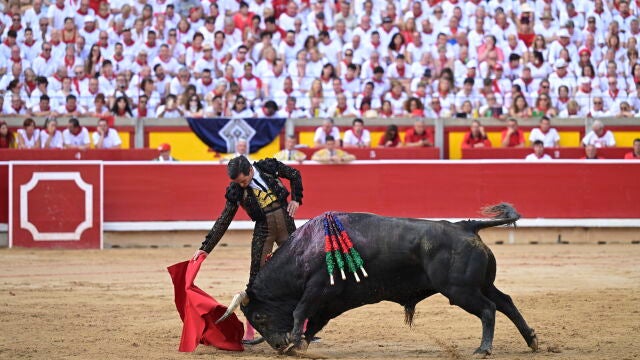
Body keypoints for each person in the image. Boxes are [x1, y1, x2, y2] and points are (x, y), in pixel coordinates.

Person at [192, 156, 303, 342]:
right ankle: (250, 332)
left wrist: (296, 199)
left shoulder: (268, 167)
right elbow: (224, 220)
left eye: (243, 181)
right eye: (238, 182)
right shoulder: (236, 190)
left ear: (251, 170)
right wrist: (206, 248)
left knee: (300, 272)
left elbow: (295, 174)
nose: (242, 185)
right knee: (255, 281)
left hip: (286, 222)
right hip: (264, 231)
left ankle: (303, 329)